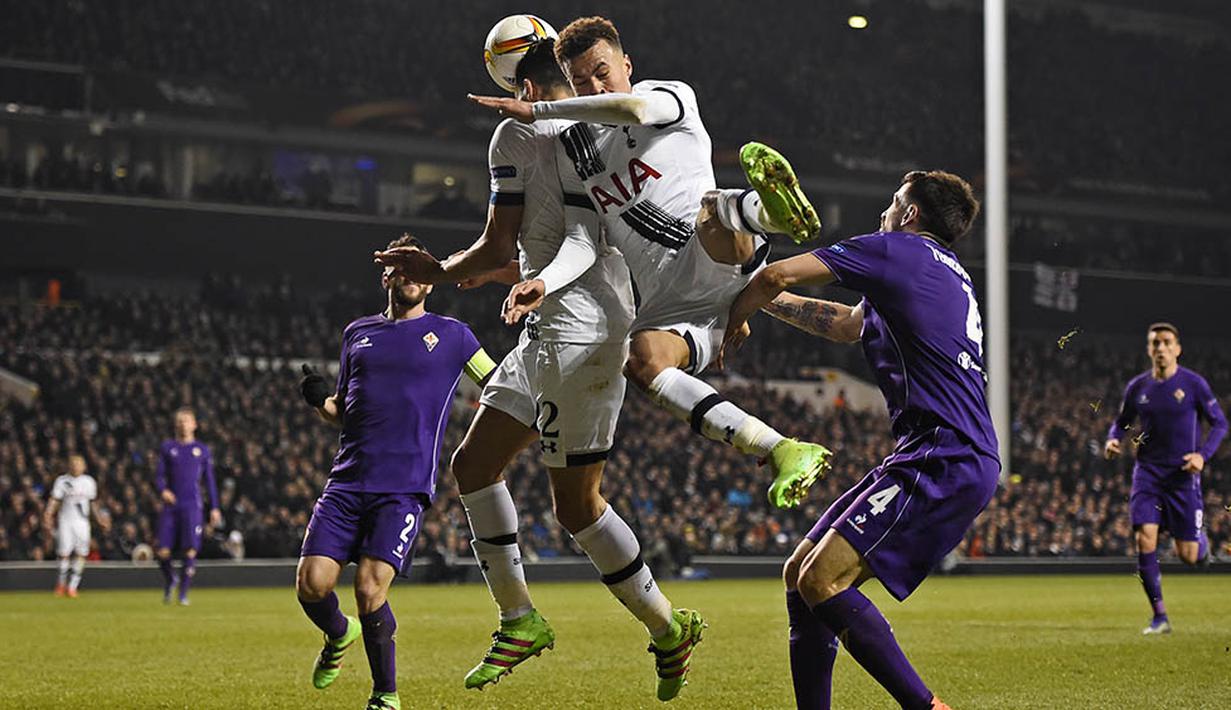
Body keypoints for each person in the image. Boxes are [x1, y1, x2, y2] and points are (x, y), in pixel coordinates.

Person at [375, 38, 704, 700]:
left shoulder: (589, 136)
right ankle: (519, 619)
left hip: (586, 329)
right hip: (543, 326)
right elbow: (503, 242)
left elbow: (580, 238)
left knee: (576, 507)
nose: (540, 99)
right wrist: (440, 273)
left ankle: (666, 626)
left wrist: (517, 279)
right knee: (472, 467)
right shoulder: (523, 139)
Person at [459, 15, 833, 515]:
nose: (594, 86)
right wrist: (543, 283)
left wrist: (540, 107)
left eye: (602, 71)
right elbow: (581, 238)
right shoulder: (576, 153)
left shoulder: (669, 96)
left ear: (626, 63)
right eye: (581, 81)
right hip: (673, 299)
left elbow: (633, 107)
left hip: (717, 249)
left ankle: (771, 213)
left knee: (711, 211)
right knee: (642, 361)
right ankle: (783, 449)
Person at [721, 170, 996, 710]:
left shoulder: (897, 250)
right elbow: (847, 324)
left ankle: (927, 707)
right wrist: (765, 301)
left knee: (823, 579)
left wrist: (735, 311)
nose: (885, 213)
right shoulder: (942, 272)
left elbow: (777, 274)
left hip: (944, 451)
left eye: (894, 203)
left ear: (911, 215)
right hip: (936, 449)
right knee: (801, 576)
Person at [295, 234, 497, 710]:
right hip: (346, 483)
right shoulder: (357, 333)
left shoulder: (455, 336)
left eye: (417, 269)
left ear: (430, 281)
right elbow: (345, 411)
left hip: (403, 489)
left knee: (368, 588)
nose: (407, 276)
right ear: (386, 275)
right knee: (311, 586)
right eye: (398, 268)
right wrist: (317, 400)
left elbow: (499, 382)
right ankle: (338, 632)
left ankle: (385, 694)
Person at [1104, 322, 1227, 635]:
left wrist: (1202, 455)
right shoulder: (1138, 388)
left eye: (1166, 342)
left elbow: (1220, 424)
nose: (1160, 348)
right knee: (1144, 537)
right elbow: (1121, 423)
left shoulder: (1194, 384)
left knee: (1188, 555)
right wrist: (1112, 439)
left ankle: (1202, 546)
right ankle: (1159, 617)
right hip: (1148, 474)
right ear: (1148, 349)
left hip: (1182, 477)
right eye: (1154, 343)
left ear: (1177, 349)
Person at [155, 407, 220, 606]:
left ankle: (182, 594)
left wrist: (215, 507)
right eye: (180, 420)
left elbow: (209, 480)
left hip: (192, 505)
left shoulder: (202, 450)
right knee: (162, 551)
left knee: (190, 550)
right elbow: (158, 475)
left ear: (194, 425)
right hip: (171, 506)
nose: (183, 424)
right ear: (176, 424)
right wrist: (163, 490)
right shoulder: (167, 448)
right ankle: (171, 579)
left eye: (187, 420)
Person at [43, 454, 107, 597]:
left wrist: (99, 519)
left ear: (84, 466)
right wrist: (48, 514)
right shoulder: (62, 481)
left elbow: (93, 503)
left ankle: (73, 586)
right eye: (73, 464)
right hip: (66, 521)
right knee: (64, 553)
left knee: (81, 553)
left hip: (82, 523)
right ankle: (61, 584)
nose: (76, 466)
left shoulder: (89, 482)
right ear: (69, 466)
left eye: (79, 464)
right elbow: (55, 499)